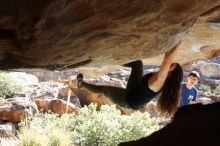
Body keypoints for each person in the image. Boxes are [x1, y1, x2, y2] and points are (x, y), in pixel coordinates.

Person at [76, 42, 183, 115]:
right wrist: (175, 40)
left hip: (128, 100)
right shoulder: (161, 78)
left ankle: (81, 84)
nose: (169, 65)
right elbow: (167, 56)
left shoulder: (159, 82)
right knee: (138, 64)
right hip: (135, 89)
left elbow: (167, 60)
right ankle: (110, 58)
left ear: (170, 74)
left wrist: (181, 39)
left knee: (103, 90)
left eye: (172, 66)